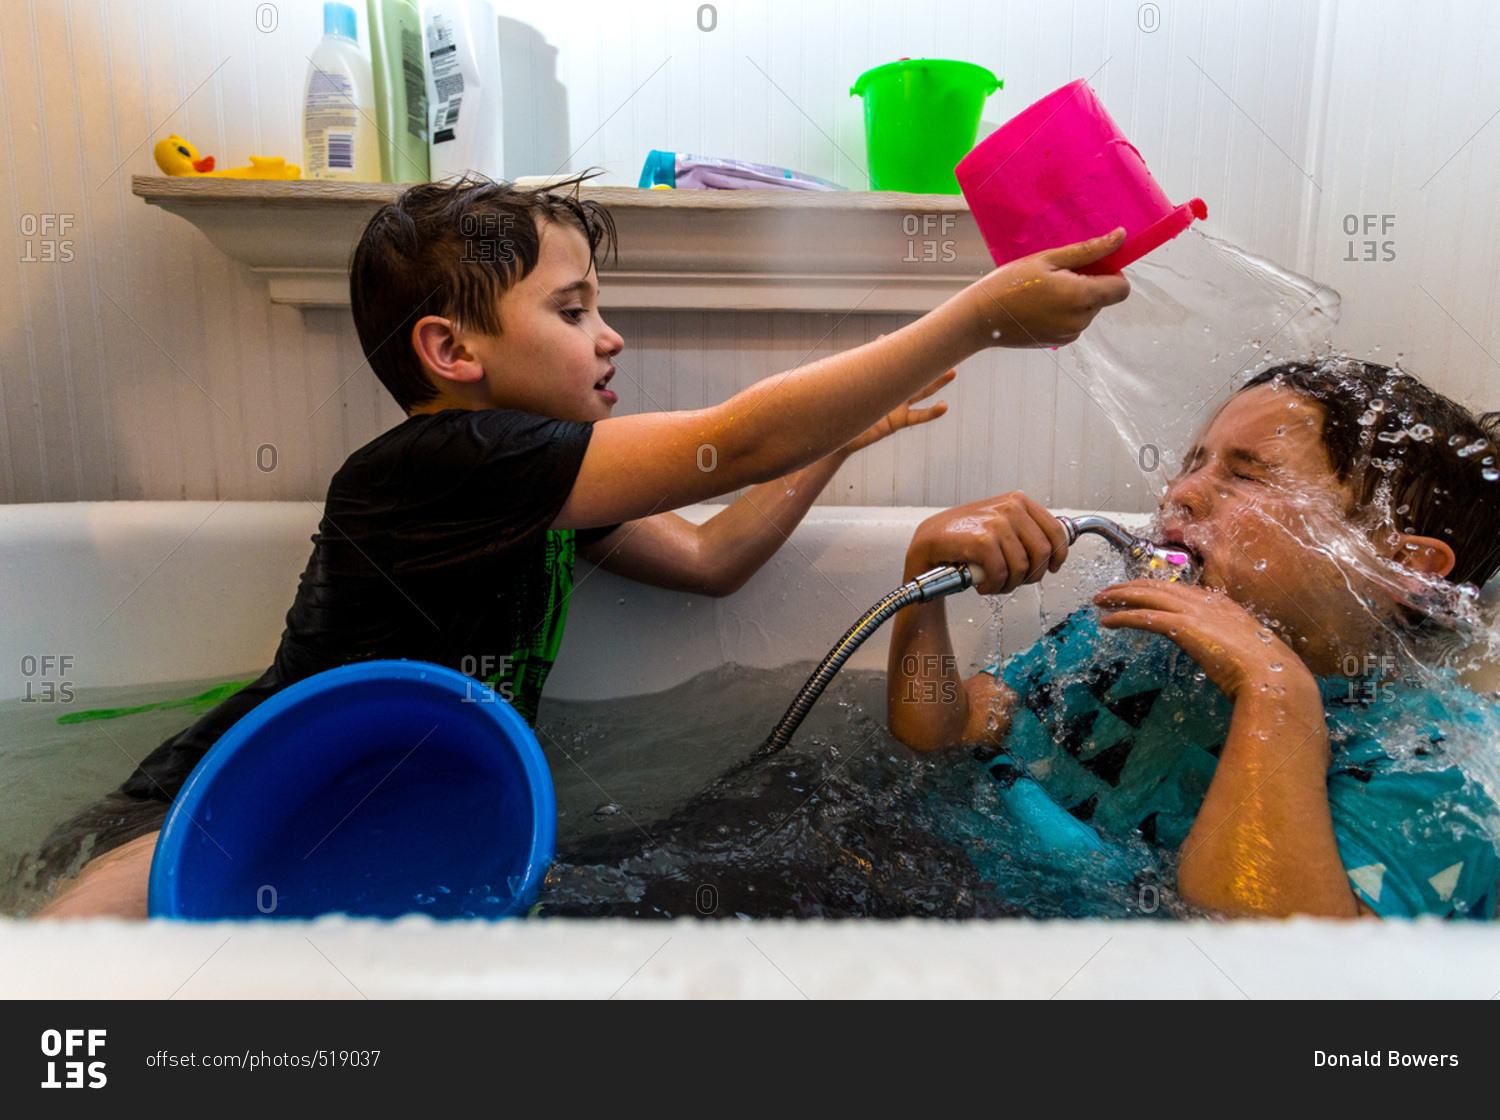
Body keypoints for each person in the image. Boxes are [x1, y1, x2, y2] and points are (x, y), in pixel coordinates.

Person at [34, 173, 1131, 918]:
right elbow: (731, 441)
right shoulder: (446, 461)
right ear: (450, 349)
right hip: (238, 787)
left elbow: (711, 565)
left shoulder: (537, 486)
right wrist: (976, 317)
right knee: (125, 912)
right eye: (573, 311)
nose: (610, 336)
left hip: (387, 794)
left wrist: (830, 445)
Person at [886, 358, 1500, 920]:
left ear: (1401, 568)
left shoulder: (1442, 767)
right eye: (1193, 464)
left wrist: (1274, 691)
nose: (1178, 492)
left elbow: (1278, 968)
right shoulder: (1139, 635)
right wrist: (923, 582)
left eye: (1246, 476)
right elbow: (947, 731)